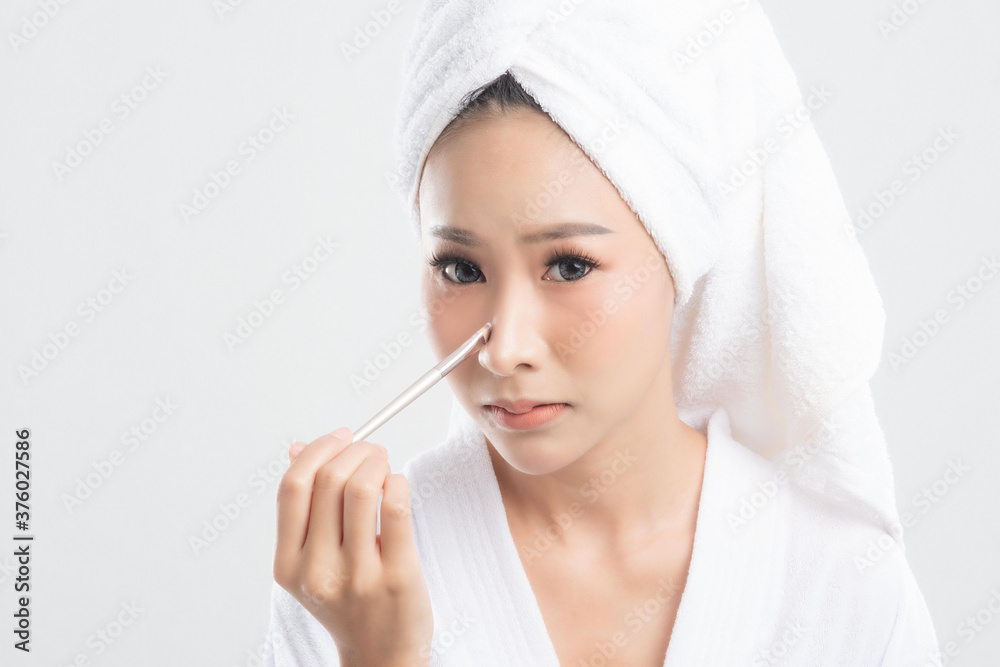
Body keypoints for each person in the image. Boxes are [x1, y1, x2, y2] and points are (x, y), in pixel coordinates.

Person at [266, 1, 940, 664]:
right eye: (460, 267)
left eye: (567, 265)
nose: (504, 349)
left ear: (682, 256)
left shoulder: (846, 593)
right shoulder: (349, 584)